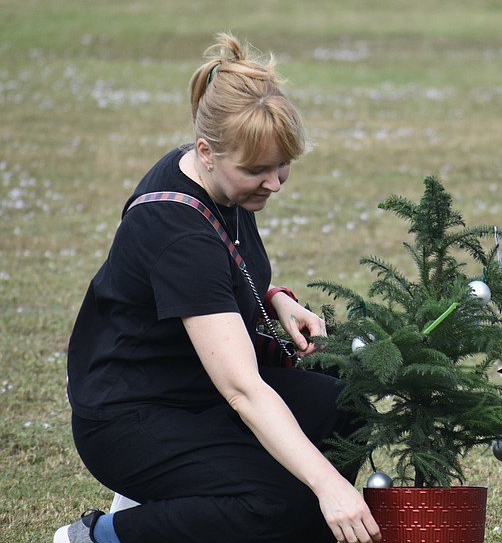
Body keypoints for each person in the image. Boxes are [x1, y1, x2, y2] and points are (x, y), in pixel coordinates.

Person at [55, 33, 382, 543]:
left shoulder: (217, 182)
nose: (274, 183)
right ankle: (100, 536)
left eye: (282, 165)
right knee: (282, 499)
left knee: (343, 402)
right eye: (257, 170)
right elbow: (241, 388)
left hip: (191, 389)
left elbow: (225, 273)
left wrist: (275, 300)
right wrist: (329, 486)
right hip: (131, 415)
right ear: (206, 152)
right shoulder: (176, 229)